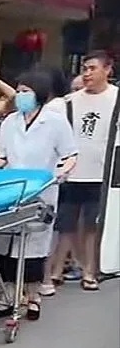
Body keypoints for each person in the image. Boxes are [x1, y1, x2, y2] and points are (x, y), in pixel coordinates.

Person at [0, 70, 77, 321]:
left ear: (40, 94)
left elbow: (70, 154)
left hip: (41, 192)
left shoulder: (55, 122)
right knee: (5, 247)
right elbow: (1, 156)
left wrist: (62, 172)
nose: (21, 96)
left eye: (26, 91)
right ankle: (9, 298)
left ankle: (33, 298)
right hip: (10, 192)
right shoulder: (10, 122)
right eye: (19, 91)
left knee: (33, 250)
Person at [50, 51, 118, 291]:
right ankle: (56, 270)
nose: (87, 74)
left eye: (92, 68)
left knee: (92, 226)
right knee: (65, 225)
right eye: (84, 69)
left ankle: (90, 271)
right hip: (71, 172)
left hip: (103, 174)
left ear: (107, 69)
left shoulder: (116, 99)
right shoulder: (68, 102)